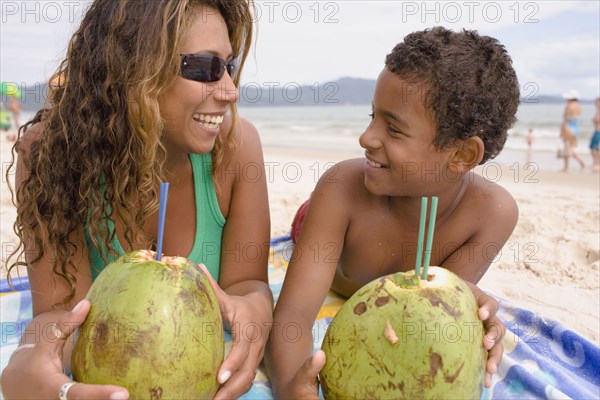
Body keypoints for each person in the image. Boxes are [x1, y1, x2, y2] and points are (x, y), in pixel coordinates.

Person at [1, 1, 273, 400]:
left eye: (228, 67)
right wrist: (31, 357)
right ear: (133, 70)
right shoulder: (51, 154)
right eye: (205, 68)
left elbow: (248, 283)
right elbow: (60, 315)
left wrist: (255, 311)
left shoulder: (235, 147)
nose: (230, 92)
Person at [265, 27, 519, 399]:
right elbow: (292, 317)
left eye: (393, 128)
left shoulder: (491, 214)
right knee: (304, 225)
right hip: (322, 225)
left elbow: (439, 308)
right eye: (372, 117)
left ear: (462, 155)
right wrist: (290, 386)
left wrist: (471, 322)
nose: (366, 138)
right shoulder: (342, 188)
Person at [559, 89, 586, 172]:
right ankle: (580, 163)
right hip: (575, 128)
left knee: (567, 148)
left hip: (568, 128)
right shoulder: (578, 106)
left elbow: (566, 120)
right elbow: (576, 119)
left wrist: (562, 130)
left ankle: (567, 167)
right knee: (571, 148)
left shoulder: (569, 106)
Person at [590, 97, 600, 172]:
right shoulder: (597, 111)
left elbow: (597, 120)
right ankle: (595, 162)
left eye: (596, 103)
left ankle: (598, 163)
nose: (595, 104)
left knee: (594, 148)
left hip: (598, 131)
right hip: (596, 131)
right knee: (593, 148)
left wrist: (594, 120)